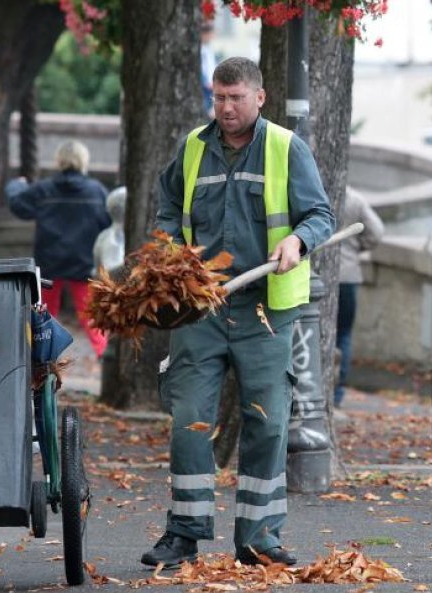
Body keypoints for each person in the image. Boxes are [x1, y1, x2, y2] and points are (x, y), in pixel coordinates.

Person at [143, 57, 334, 568]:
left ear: (260, 98)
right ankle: (183, 533)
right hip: (200, 312)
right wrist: (169, 252)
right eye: (219, 97)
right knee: (189, 419)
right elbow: (168, 209)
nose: (226, 107)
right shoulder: (192, 148)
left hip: (265, 313)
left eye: (236, 98)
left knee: (268, 425)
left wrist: (297, 239)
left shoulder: (285, 148)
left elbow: (320, 214)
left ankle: (259, 539)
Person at [6, 140, 111, 358]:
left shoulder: (45, 189)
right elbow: (108, 222)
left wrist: (17, 184)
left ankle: (41, 363)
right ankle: (105, 357)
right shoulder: (96, 191)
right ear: (84, 161)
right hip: (83, 264)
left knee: (44, 316)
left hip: (49, 265)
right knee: (92, 318)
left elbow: (18, 204)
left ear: (59, 161)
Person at [333, 188, 384, 419]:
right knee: (343, 335)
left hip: (319, 275)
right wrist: (355, 248)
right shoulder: (356, 199)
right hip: (348, 276)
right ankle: (337, 395)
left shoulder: (320, 193)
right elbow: (376, 232)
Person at [199, 21, 217, 116]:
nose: (212, 36)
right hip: (205, 86)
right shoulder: (200, 50)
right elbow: (202, 67)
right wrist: (206, 82)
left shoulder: (208, 48)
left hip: (211, 85)